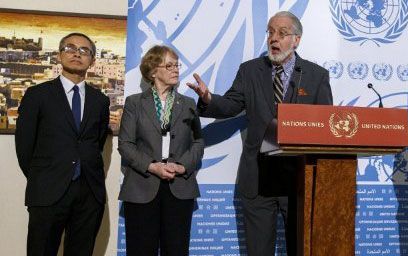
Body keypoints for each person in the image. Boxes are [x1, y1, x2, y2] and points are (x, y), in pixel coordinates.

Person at [187, 11, 333, 255]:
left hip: (299, 179)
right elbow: (232, 105)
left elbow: (325, 124)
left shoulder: (316, 76)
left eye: (282, 33)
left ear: (296, 40)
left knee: (301, 249)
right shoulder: (250, 71)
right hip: (257, 179)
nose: (273, 39)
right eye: (270, 32)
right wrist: (208, 98)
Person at [15, 32, 110, 256]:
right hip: (48, 190)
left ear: (93, 61)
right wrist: (44, 177)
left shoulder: (100, 101)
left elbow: (95, 143)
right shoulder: (37, 95)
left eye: (84, 51)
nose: (77, 53)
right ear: (59, 55)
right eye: (70, 48)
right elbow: (24, 146)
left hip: (89, 193)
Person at [118, 45, 204, 256]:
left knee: (176, 250)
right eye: (169, 65)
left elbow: (198, 142)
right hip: (141, 186)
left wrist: (183, 166)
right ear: (153, 70)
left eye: (176, 65)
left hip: (179, 188)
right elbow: (125, 145)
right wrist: (151, 166)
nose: (176, 69)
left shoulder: (189, 103)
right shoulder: (134, 103)